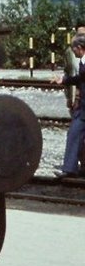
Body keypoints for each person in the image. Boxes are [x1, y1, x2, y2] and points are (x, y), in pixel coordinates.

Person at [53, 34, 85, 178]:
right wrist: (65, 80)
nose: (73, 52)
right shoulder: (83, 62)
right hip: (82, 107)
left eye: (74, 50)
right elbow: (81, 79)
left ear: (79, 48)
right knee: (74, 134)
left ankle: (70, 168)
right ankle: (70, 168)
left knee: (74, 134)